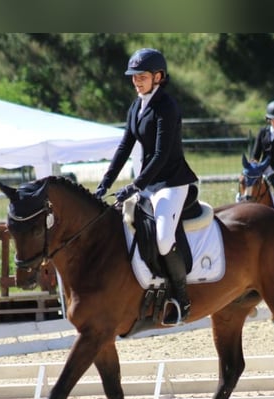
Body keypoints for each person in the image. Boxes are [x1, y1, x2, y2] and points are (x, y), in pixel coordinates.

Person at [94, 47, 198, 325]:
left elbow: (161, 154)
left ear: (158, 76)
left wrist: (136, 185)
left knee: (164, 239)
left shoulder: (167, 106)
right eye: (133, 76)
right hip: (150, 184)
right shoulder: (136, 105)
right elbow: (125, 146)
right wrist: (105, 182)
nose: (136, 81)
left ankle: (182, 298)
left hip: (172, 183)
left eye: (142, 76)